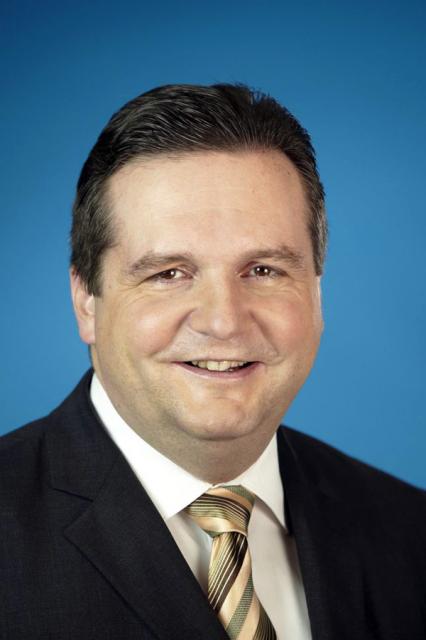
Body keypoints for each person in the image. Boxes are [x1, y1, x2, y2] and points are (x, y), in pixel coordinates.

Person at [0, 83, 425, 640]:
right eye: (169, 274)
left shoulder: (409, 532)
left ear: (317, 293)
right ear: (87, 302)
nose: (224, 321)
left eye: (264, 270)